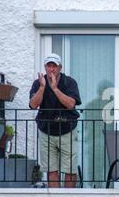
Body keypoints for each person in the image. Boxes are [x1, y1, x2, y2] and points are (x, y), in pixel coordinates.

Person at [29, 53, 81, 188]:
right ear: (45, 67)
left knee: (70, 169)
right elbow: (33, 105)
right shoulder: (38, 83)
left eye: (54, 66)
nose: (51, 69)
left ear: (60, 68)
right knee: (51, 169)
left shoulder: (69, 82)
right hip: (46, 130)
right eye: (49, 66)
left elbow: (71, 104)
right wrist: (42, 88)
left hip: (67, 129)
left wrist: (54, 88)